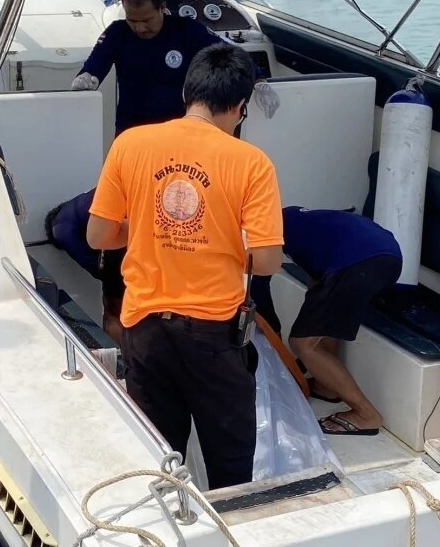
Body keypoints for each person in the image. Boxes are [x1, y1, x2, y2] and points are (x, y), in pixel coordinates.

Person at [86, 43, 284, 489]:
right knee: (230, 470)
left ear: (186, 94)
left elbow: (98, 235)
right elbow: (268, 261)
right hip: (214, 335)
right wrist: (223, 244)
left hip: (144, 329)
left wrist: (145, 232)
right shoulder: (251, 163)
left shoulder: (130, 144)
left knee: (160, 459)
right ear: (239, 107)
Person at [254, 206, 403, 436]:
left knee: (302, 343)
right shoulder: (293, 218)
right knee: (320, 306)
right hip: (386, 255)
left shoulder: (265, 231)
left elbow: (259, 291)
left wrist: (276, 345)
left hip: (358, 261)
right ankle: (327, 386)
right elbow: (319, 287)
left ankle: (366, 414)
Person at [72, 0, 279, 136]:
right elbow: (94, 66)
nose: (140, 28)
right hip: (132, 126)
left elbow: (229, 53)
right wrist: (86, 78)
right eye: (132, 20)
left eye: (146, 20)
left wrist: (259, 80)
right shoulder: (117, 33)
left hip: (179, 124)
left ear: (162, 8)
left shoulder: (185, 29)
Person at [44, 189, 125, 344]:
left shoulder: (59, 225)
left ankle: (121, 354)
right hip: (132, 220)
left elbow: (85, 257)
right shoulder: (83, 202)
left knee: (113, 310)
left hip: (117, 232)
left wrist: (101, 272)